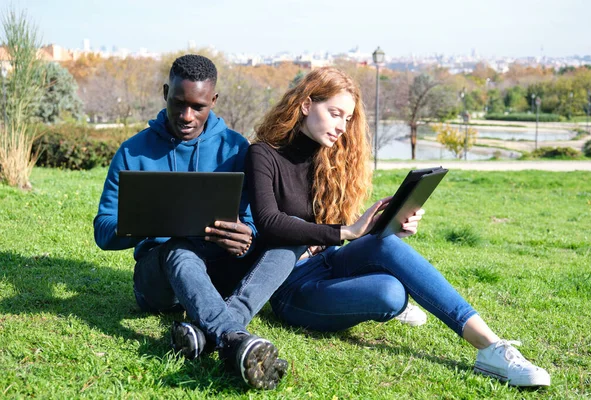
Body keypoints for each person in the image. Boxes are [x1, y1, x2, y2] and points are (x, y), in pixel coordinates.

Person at [244, 67, 551, 388]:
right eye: (335, 114)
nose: (341, 127)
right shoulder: (263, 154)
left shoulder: (329, 157)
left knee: (386, 244)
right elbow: (269, 222)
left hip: (331, 261)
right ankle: (382, 297)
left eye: (347, 119)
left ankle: (491, 348)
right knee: (391, 293)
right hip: (292, 286)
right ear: (306, 105)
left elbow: (335, 231)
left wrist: (386, 226)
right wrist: (345, 231)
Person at [93, 54, 294, 390]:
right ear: (164, 93)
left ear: (213, 101)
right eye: (178, 103)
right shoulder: (132, 152)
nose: (186, 116)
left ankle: (203, 334)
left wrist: (247, 236)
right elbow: (103, 229)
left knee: (287, 246)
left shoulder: (236, 149)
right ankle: (234, 339)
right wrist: (153, 223)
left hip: (217, 271)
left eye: (198, 106)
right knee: (179, 250)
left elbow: (251, 222)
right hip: (158, 280)